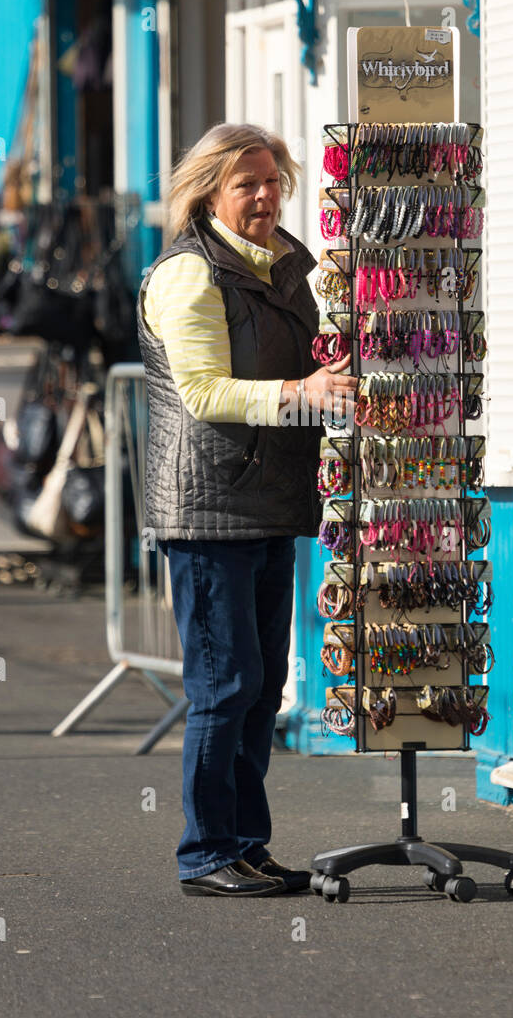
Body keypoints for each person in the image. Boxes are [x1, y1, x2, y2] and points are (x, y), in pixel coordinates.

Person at [137, 123, 357, 896]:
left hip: (271, 496)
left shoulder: (288, 265)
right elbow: (204, 394)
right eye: (247, 185)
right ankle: (206, 852)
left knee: (262, 687)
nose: (265, 196)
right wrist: (304, 393)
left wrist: (329, 368)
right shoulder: (189, 275)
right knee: (224, 684)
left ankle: (246, 843)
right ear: (210, 193)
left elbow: (291, 370)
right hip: (206, 506)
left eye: (272, 181)